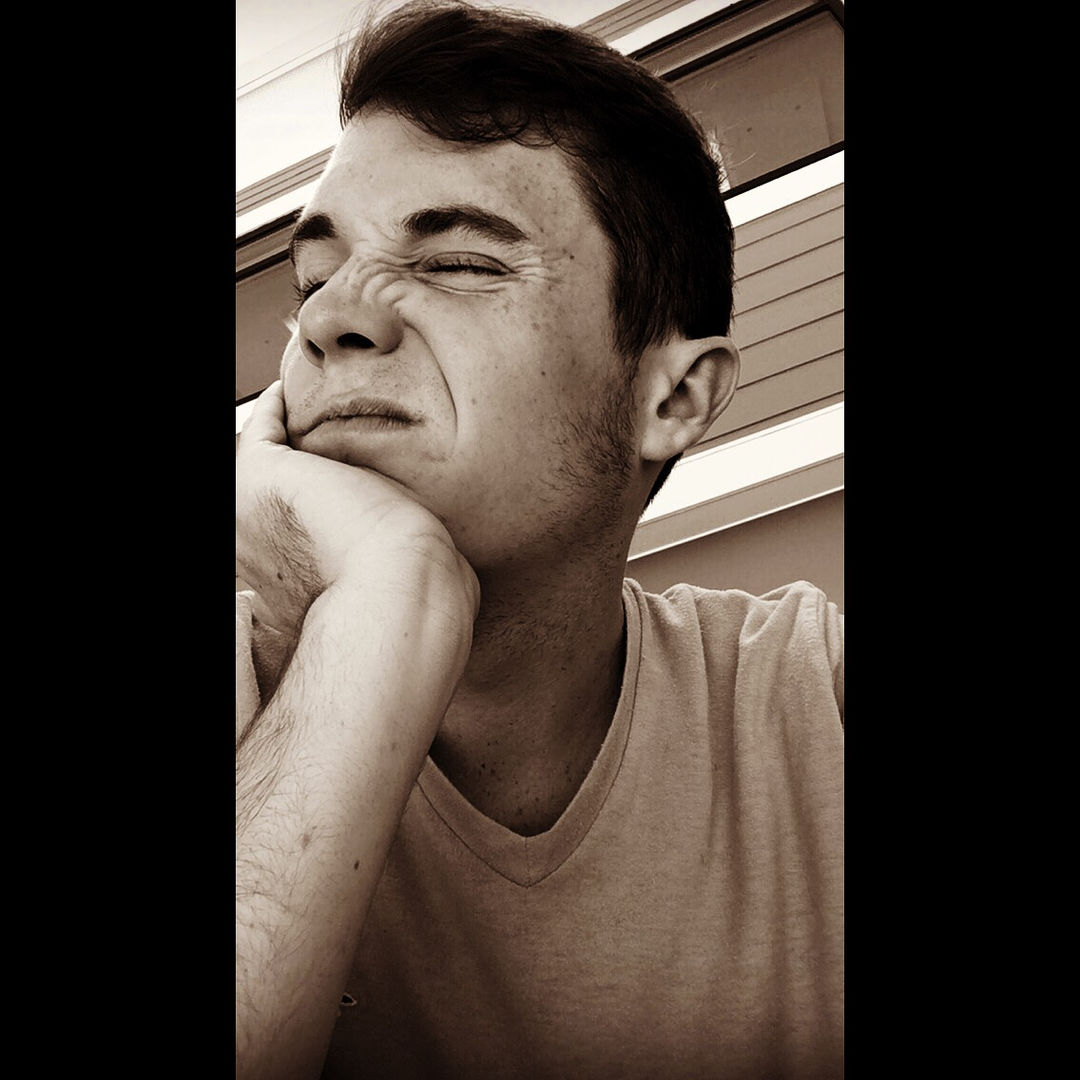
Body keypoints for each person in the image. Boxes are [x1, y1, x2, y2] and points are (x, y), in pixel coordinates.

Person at [235, 2, 843, 1077]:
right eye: (315, 282)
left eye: (461, 263)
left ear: (673, 398)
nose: (330, 320)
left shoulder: (817, 703)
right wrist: (390, 599)